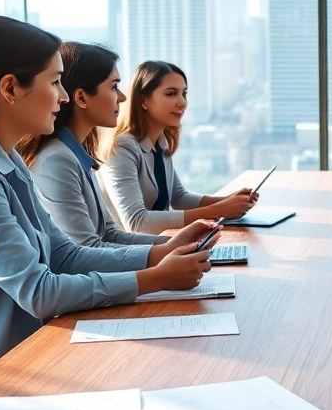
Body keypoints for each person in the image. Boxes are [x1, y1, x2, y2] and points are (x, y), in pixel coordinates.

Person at [0, 17, 212, 410]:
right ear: (10, 89)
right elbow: (39, 292)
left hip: (14, 355)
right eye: (55, 82)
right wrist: (154, 278)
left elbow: (63, 254)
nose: (63, 96)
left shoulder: (4, 159)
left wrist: (160, 254)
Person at [17, 42, 223, 252]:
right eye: (114, 86)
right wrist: (166, 252)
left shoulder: (79, 154)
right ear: (81, 98)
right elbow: (87, 249)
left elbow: (109, 234)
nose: (123, 97)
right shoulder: (57, 159)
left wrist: (178, 244)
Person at [99, 61, 257, 234]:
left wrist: (230, 201)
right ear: (143, 100)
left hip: (164, 243)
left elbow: (179, 198)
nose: (182, 102)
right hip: (135, 249)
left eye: (184, 94)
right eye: (171, 94)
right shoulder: (122, 147)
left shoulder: (160, 142)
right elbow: (137, 222)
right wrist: (218, 210)